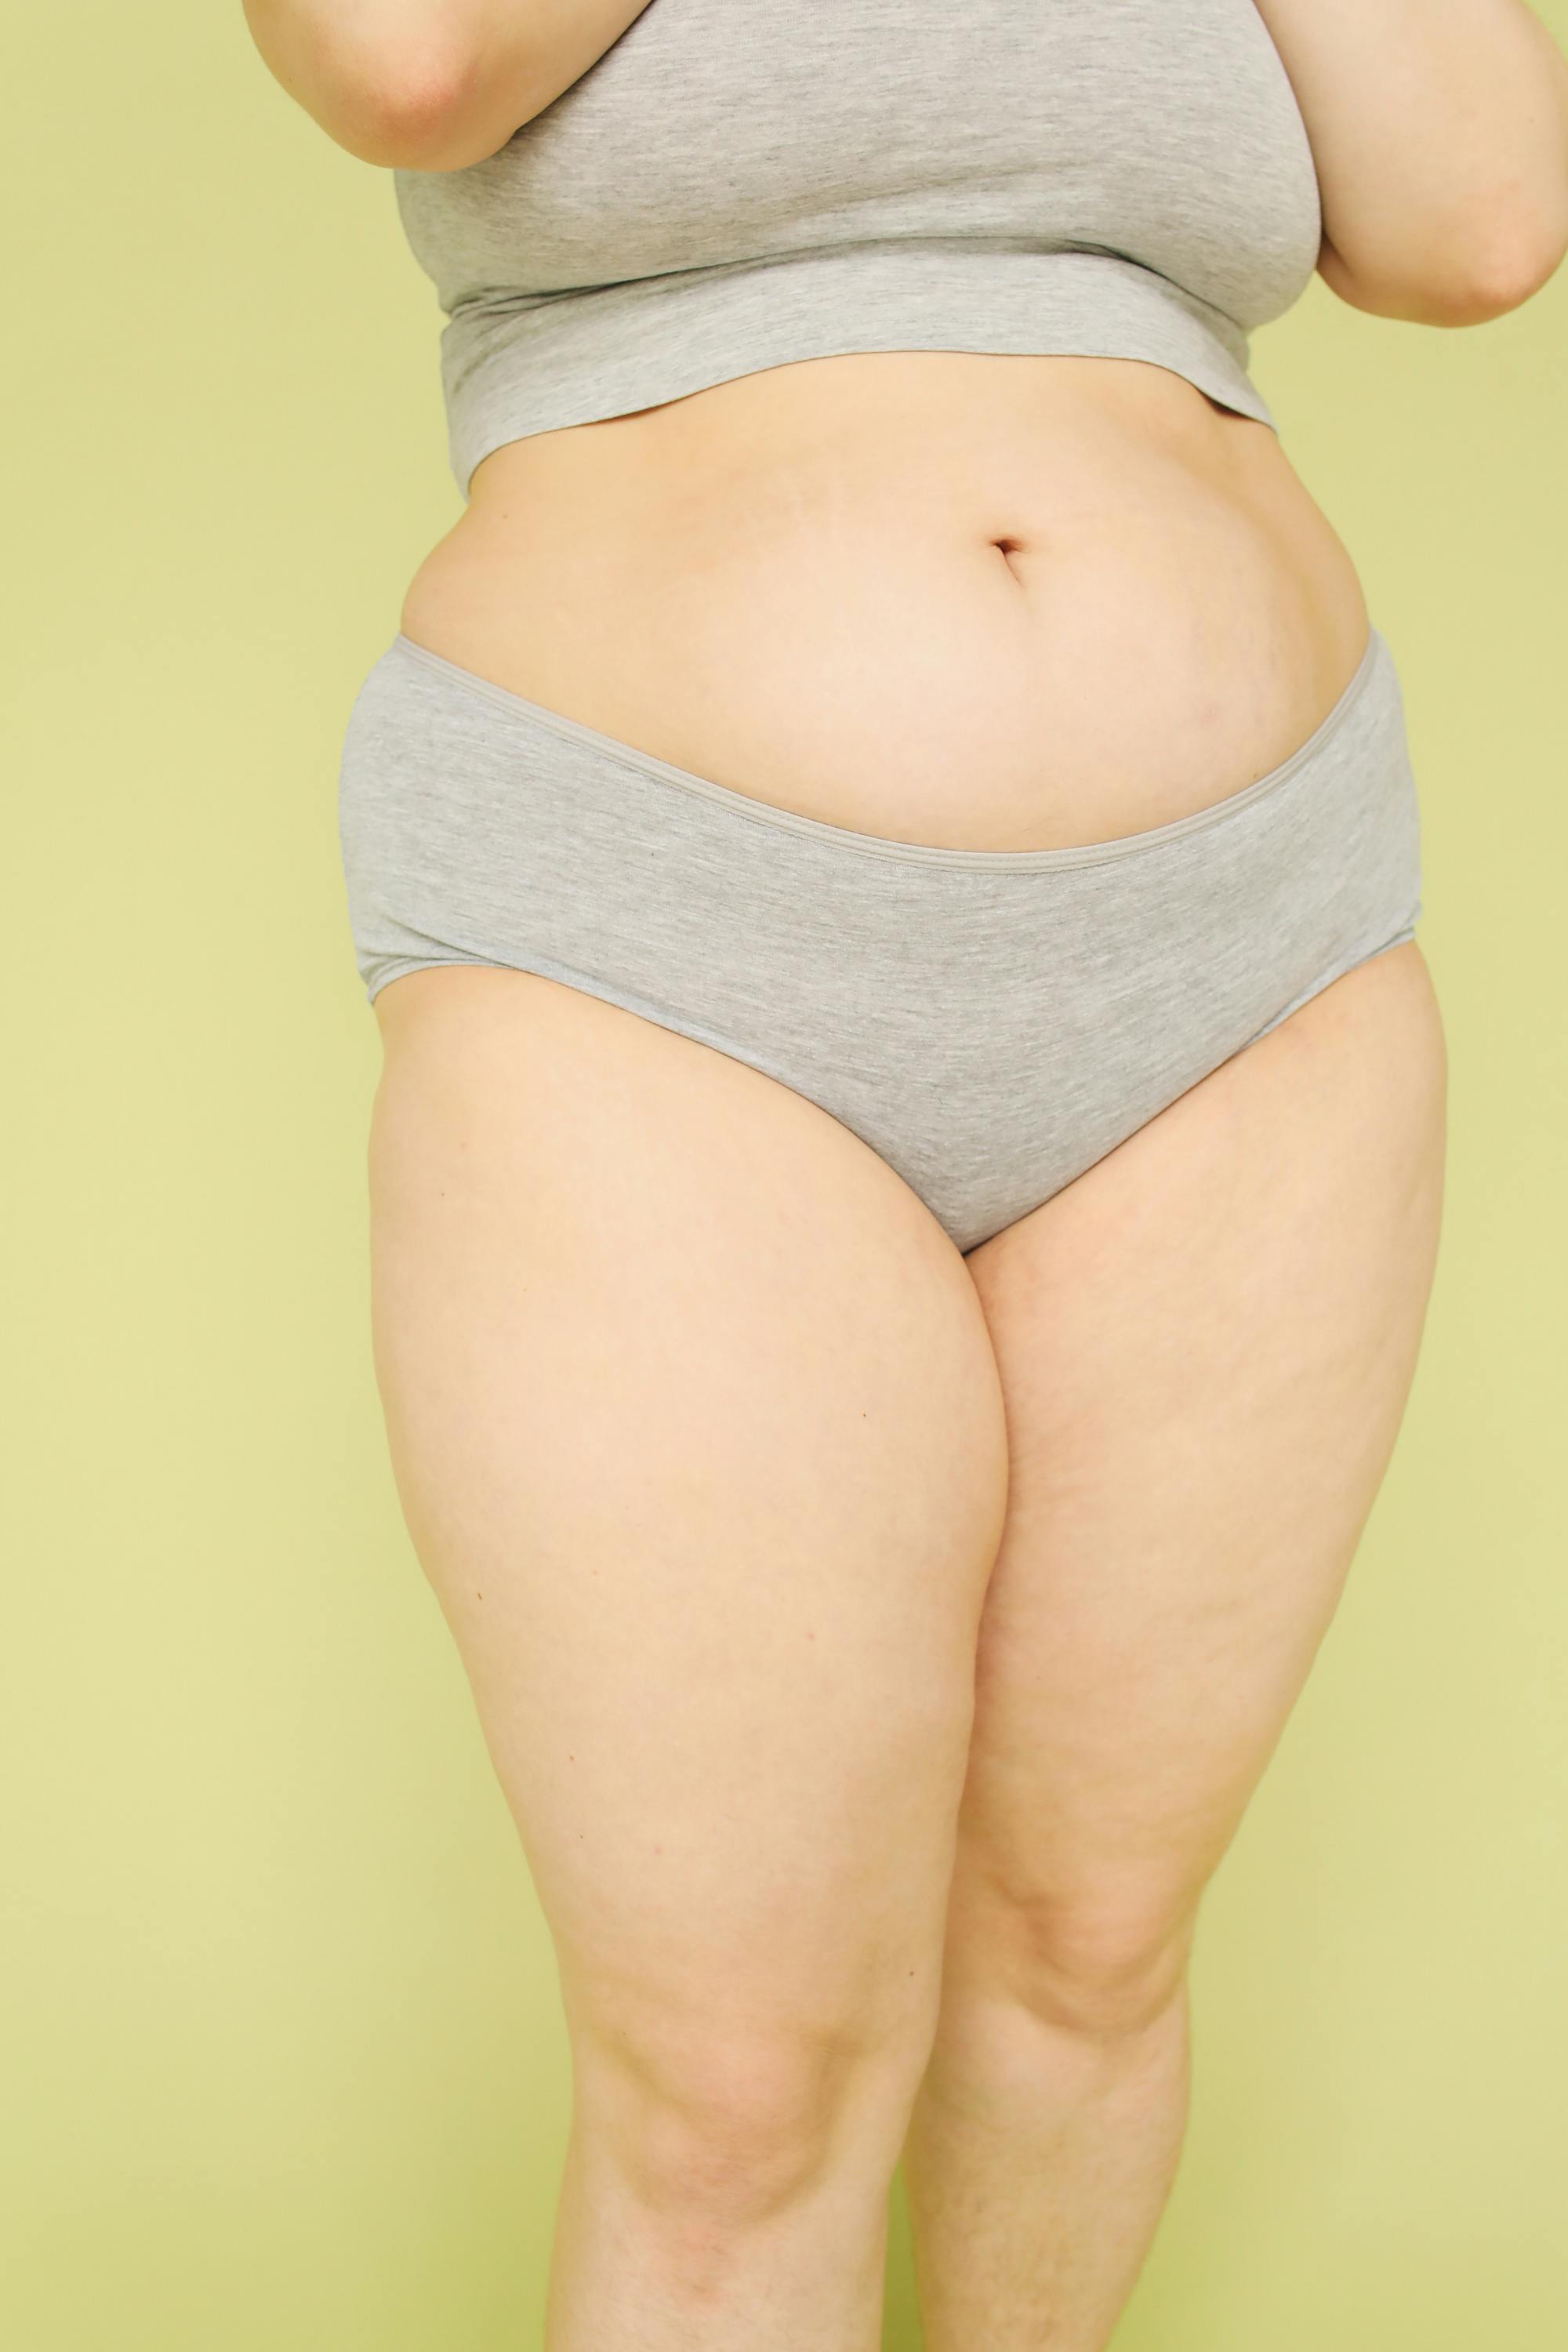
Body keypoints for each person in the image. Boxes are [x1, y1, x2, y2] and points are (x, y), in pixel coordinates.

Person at [242, 4, 1568, 2344]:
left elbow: (1478, 222)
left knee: (1077, 1973)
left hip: (1252, 946)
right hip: (658, 932)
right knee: (736, 2088)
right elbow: (409, 62)